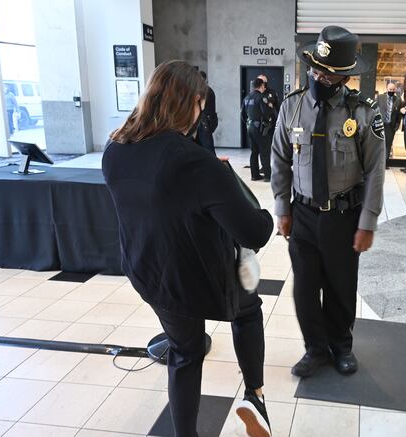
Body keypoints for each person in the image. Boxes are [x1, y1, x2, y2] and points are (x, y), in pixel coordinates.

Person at [102, 60, 274, 437]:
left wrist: (210, 177)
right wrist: (251, 203)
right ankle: (255, 395)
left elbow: (164, 197)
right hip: (197, 273)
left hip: (147, 272)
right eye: (202, 105)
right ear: (193, 103)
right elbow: (254, 232)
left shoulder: (115, 149)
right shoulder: (196, 164)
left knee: (185, 352)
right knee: (247, 310)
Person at [272, 25, 385, 378]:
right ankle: (315, 349)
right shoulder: (292, 108)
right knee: (305, 290)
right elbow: (279, 160)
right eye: (315, 70)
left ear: (345, 77)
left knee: (340, 287)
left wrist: (367, 222)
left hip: (343, 216)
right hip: (304, 214)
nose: (319, 77)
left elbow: (375, 171)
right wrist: (283, 209)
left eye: (328, 74)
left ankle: (341, 346)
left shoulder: (363, 112)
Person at [243, 78, 272, 182]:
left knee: (254, 152)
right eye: (263, 86)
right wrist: (270, 107)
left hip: (250, 127)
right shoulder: (261, 97)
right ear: (260, 86)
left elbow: (242, 114)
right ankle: (268, 175)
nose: (264, 87)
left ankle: (254, 175)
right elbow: (265, 113)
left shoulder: (246, 98)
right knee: (265, 151)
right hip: (260, 128)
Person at [378, 82, 403, 168]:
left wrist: (397, 125)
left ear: (395, 90)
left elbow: (399, 115)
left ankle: (385, 163)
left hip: (390, 126)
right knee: (379, 144)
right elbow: (374, 110)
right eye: (390, 89)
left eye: (393, 90)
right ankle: (378, 163)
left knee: (388, 145)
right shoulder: (380, 98)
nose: (391, 91)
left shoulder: (398, 100)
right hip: (380, 125)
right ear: (387, 89)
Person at [195, 71, 218, 154]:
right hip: (204, 122)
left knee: (208, 148)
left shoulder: (206, 91)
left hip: (204, 123)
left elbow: (202, 106)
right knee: (202, 147)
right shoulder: (206, 90)